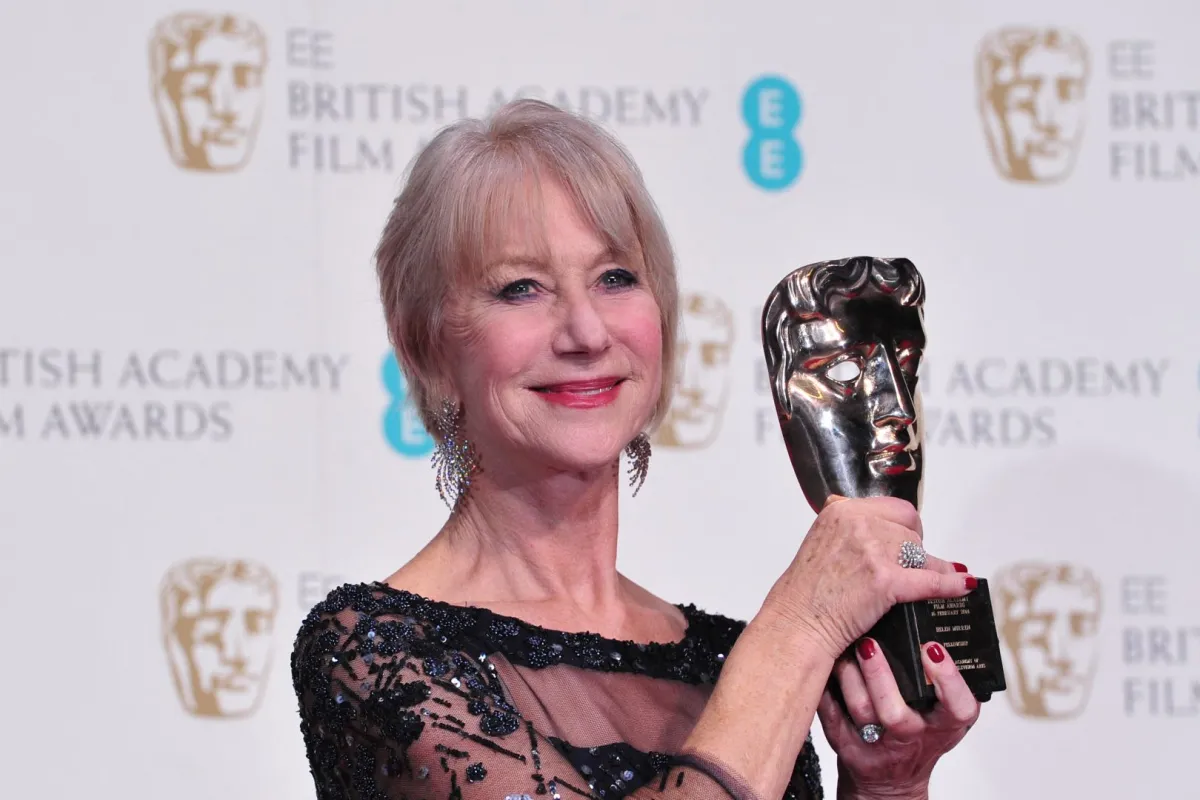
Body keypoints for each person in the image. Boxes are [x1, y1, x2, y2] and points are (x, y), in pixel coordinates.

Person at [291, 99, 981, 800]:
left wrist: (887, 785)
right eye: (521, 288)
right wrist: (802, 627)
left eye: (615, 277)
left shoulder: (719, 662)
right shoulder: (378, 654)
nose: (586, 332)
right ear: (428, 347)